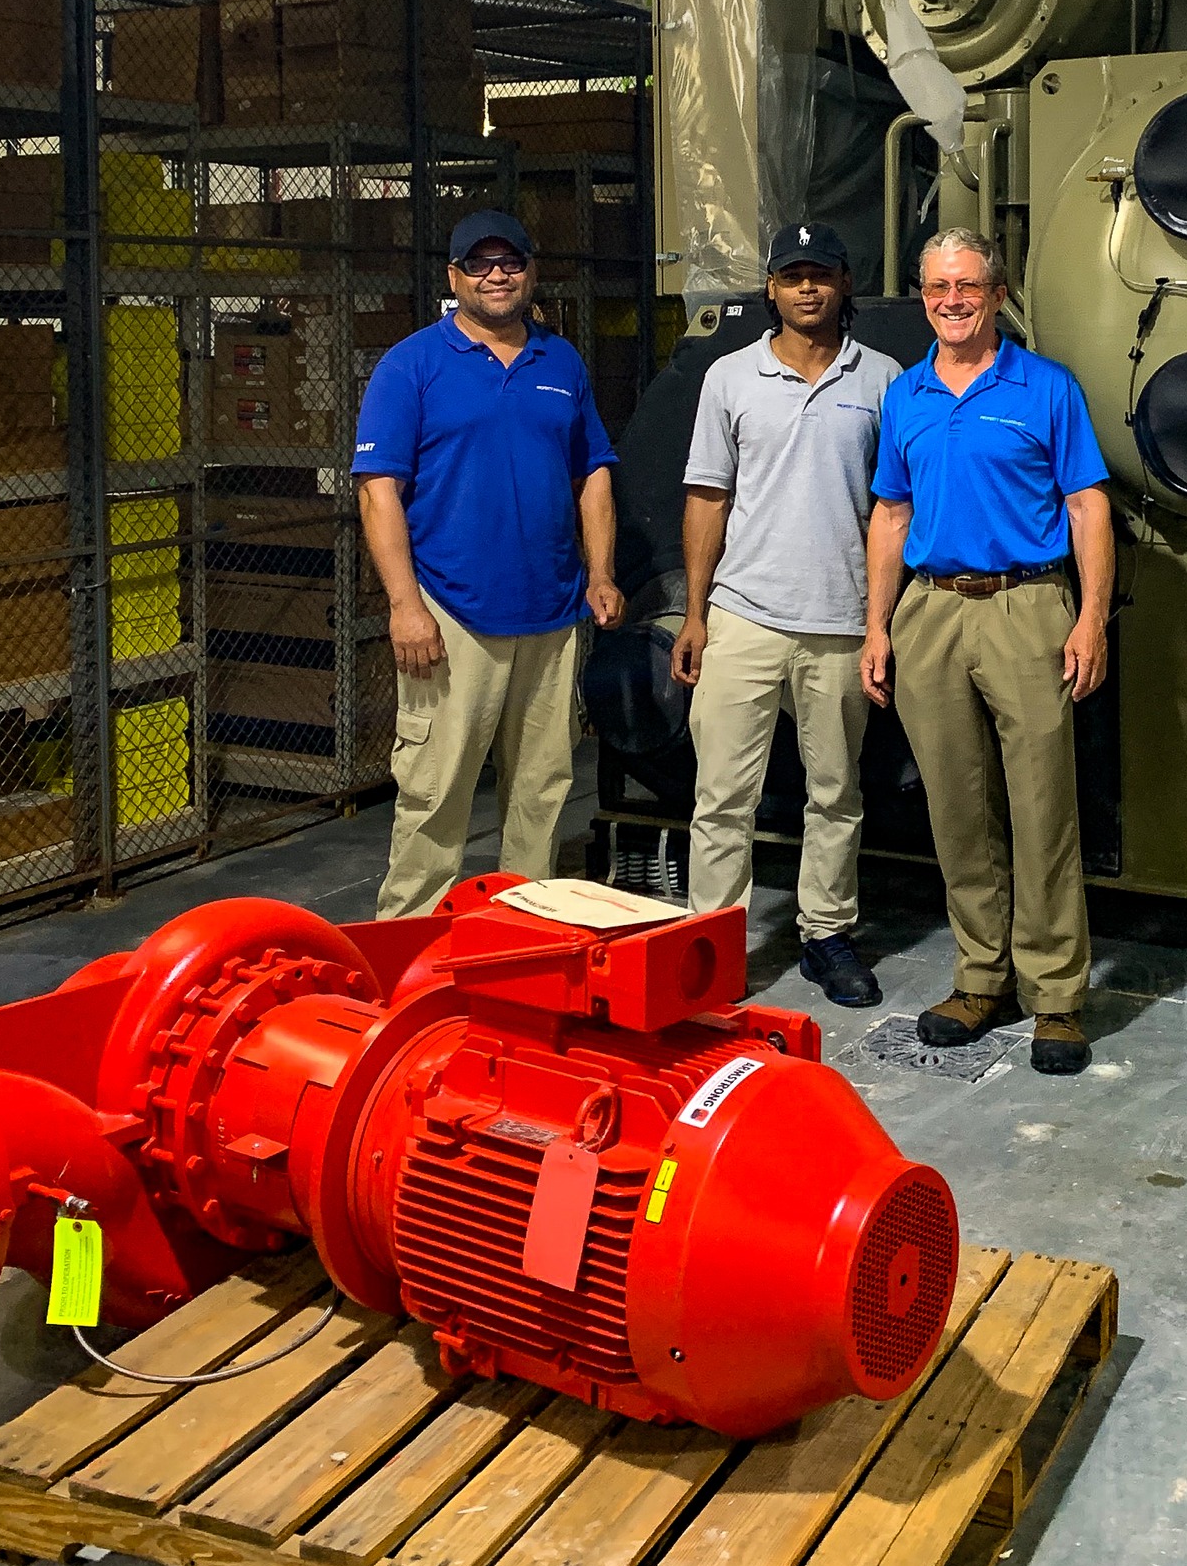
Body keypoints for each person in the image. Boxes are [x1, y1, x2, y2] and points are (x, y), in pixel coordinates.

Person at [861, 225, 1114, 1075]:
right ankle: (982, 977)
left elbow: (1087, 507)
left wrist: (1090, 619)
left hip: (1027, 605)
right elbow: (890, 517)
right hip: (931, 613)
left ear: (997, 294)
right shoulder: (907, 395)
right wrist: (876, 627)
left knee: (1044, 810)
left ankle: (1055, 997)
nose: (952, 301)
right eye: (937, 288)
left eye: (968, 286)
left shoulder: (1046, 388)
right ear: (923, 295)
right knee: (957, 812)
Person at [353, 209, 624, 918]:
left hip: (553, 612)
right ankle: (406, 952)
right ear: (454, 277)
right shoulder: (411, 365)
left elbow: (592, 471)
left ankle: (521, 945)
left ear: (532, 272)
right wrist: (404, 605)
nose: (496, 275)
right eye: (479, 263)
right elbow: (379, 492)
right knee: (436, 795)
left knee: (541, 793)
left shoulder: (559, 363)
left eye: (510, 262)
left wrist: (599, 573)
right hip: (450, 614)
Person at [672, 224, 903, 1006]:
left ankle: (827, 934)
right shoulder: (729, 377)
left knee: (836, 791)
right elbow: (707, 495)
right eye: (792, 276)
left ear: (845, 286)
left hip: (840, 619)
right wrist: (696, 614)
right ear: (770, 289)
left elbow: (894, 505)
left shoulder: (884, 379)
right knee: (722, 797)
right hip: (743, 614)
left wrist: (880, 620)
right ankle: (712, 940)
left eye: (822, 275)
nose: (807, 289)